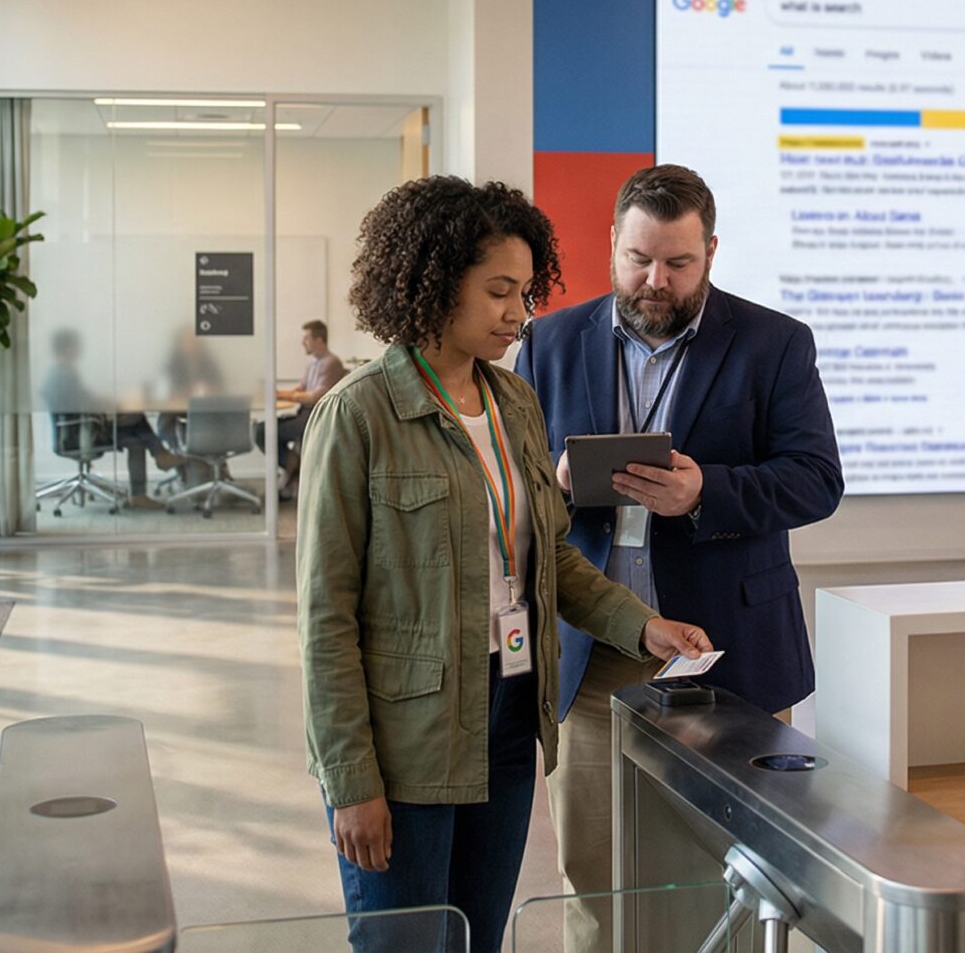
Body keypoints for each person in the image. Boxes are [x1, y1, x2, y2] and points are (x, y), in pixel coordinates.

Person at [298, 176, 716, 953]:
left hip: (511, 707)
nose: (518, 314)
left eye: (524, 292)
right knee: (407, 944)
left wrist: (643, 626)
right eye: (497, 292)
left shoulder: (513, 403)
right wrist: (350, 782)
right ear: (433, 283)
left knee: (478, 937)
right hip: (408, 734)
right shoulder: (358, 415)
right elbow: (326, 619)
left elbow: (548, 556)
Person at [513, 164, 843, 951]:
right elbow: (512, 495)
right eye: (638, 259)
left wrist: (706, 492)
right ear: (612, 245)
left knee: (734, 873)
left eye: (678, 263)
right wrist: (556, 481)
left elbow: (816, 480)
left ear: (711, 253)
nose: (655, 281)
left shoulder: (774, 344)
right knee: (594, 869)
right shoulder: (549, 343)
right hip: (591, 654)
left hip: (725, 653)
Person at [36, 328, 179, 509]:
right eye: (76, 345)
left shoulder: (58, 372)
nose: (79, 349)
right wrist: (114, 404)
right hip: (82, 434)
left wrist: (112, 403)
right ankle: (158, 458)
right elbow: (86, 402)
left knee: (135, 429)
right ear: (68, 348)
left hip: (77, 431)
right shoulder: (65, 374)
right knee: (135, 420)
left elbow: (85, 399)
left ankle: (155, 463)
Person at [271, 319, 349, 493]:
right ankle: (295, 469)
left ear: (319, 340)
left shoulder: (331, 363)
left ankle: (296, 469)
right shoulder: (313, 362)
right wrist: (277, 392)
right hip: (304, 413)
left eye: (306, 338)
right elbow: (300, 389)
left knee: (264, 432)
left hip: (316, 416)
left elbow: (315, 397)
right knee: (263, 430)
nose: (303, 342)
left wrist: (279, 395)